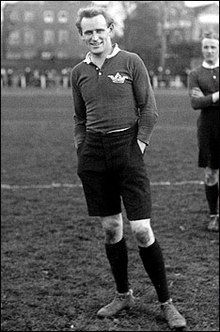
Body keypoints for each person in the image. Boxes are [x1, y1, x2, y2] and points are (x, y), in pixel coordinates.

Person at [71, 6, 187, 330]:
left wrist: (139, 146)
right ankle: (123, 295)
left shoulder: (131, 62)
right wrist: (83, 150)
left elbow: (149, 111)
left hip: (128, 148)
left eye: (99, 30)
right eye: (88, 32)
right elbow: (79, 117)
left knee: (141, 229)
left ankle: (167, 303)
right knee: (111, 228)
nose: (94, 37)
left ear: (110, 29)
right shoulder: (78, 72)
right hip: (94, 153)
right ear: (81, 36)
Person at [188, 32, 219, 232]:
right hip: (208, 130)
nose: (209, 50)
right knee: (210, 174)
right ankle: (214, 216)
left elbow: (203, 100)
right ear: (202, 49)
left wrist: (207, 97)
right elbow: (195, 103)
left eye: (213, 47)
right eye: (206, 47)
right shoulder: (195, 74)